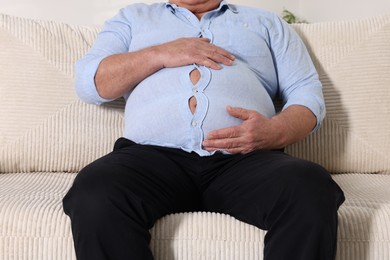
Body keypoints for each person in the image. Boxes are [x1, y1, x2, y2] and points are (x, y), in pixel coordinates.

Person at [62, 0, 345, 259]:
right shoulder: (133, 18)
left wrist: (275, 131)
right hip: (149, 160)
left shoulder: (266, 23)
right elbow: (90, 84)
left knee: (310, 186)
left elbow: (307, 95)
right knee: (95, 191)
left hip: (245, 160)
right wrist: (160, 53)